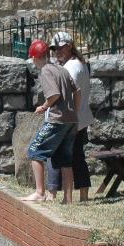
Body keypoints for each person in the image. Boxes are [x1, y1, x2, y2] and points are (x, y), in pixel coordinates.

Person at [23, 39, 78, 203]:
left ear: (34, 58)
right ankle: (68, 199)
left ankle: (40, 193)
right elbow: (77, 91)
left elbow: (54, 95)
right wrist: (74, 110)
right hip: (71, 120)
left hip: (57, 119)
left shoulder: (46, 71)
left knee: (35, 151)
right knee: (65, 159)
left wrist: (44, 106)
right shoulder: (61, 69)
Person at [47, 31, 91, 201]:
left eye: (60, 48)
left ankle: (54, 194)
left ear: (69, 46)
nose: (57, 52)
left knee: (57, 156)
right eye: (55, 49)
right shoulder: (78, 64)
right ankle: (82, 195)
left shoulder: (71, 67)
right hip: (77, 119)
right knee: (77, 157)